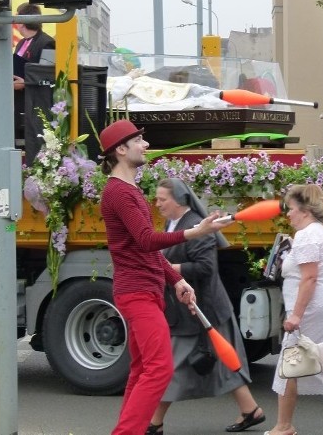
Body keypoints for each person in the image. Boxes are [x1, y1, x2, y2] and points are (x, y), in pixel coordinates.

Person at [98, 120, 233, 435]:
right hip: (137, 294)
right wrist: (196, 231)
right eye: (139, 140)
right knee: (160, 369)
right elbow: (146, 240)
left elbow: (143, 248)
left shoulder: (128, 190)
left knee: (143, 368)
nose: (145, 145)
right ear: (121, 149)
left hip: (144, 291)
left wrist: (176, 281)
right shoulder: (119, 192)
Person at [145, 178, 264, 435]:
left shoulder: (197, 227)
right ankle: (251, 410)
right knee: (224, 364)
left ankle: (154, 423)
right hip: (188, 309)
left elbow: (206, 268)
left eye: (162, 199)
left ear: (179, 199)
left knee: (171, 366)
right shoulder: (173, 223)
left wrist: (167, 269)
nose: (157, 204)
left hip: (202, 309)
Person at [265, 184, 323, 435]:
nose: (288, 214)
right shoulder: (322, 232)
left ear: (305, 210)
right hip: (322, 305)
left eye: (291, 209)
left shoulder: (307, 236)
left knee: (289, 365)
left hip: (308, 308)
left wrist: (295, 314)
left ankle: (284, 425)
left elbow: (309, 278)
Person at [12, 3, 55, 146]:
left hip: (34, 106)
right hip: (17, 103)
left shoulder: (47, 43)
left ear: (23, 21)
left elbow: (48, 76)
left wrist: (25, 83)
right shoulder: (20, 43)